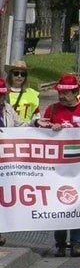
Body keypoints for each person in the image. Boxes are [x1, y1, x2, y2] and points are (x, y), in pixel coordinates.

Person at [37, 74, 80, 257]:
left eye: (66, 93)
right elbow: (40, 134)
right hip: (58, 170)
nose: (62, 97)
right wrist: (48, 129)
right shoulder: (52, 110)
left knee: (79, 205)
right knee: (59, 206)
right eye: (60, 93)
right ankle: (60, 243)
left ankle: (77, 243)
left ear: (76, 92)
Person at [0, 77, 26, 247]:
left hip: (5, 161)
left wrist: (35, 124)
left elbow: (20, 126)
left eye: (2, 95)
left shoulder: (8, 109)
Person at [7, 60, 40, 125]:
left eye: (23, 74)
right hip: (8, 132)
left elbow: (37, 116)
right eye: (16, 73)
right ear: (10, 75)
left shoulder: (32, 94)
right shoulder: (4, 93)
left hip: (26, 132)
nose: (19, 76)